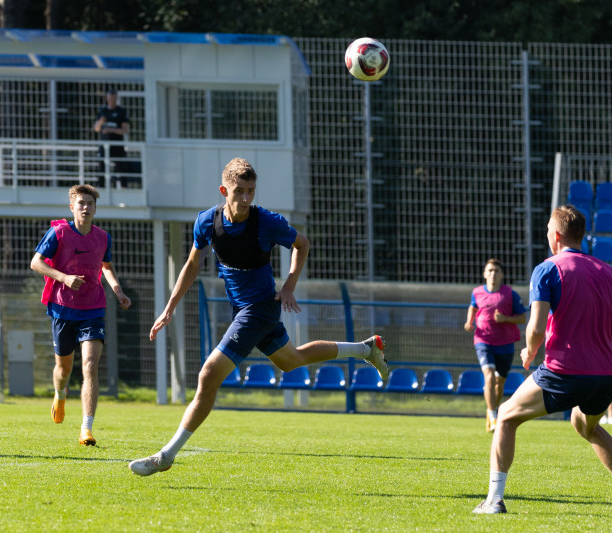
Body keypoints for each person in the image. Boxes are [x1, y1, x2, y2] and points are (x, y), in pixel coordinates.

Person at [128, 157, 389, 476]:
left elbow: (302, 244)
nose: (246, 198)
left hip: (260, 307)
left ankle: (166, 456)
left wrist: (290, 284)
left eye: (251, 191)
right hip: (243, 309)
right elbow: (193, 264)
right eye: (239, 191)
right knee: (290, 360)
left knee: (208, 374)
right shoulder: (207, 222)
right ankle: (367, 349)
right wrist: (169, 307)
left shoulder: (267, 221)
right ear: (224, 190)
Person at [473, 205, 612, 515]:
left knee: (505, 416)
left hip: (566, 370)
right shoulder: (611, 273)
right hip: (607, 376)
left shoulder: (547, 268)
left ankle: (493, 502)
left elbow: (535, 325)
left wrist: (530, 351)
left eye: (547, 230)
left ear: (555, 236)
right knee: (586, 426)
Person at [30, 184, 132, 446]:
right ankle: (59, 394)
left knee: (90, 365)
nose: (86, 207)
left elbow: (106, 267)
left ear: (96, 208)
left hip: (93, 308)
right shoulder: (59, 232)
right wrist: (63, 277)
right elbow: (36, 262)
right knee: (64, 369)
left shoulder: (103, 237)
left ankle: (86, 429)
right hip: (63, 308)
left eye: (90, 203)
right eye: (81, 203)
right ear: (72, 207)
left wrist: (118, 292)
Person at [464, 258, 527, 432]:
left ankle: (491, 411)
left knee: (499, 383)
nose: (493, 274)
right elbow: (473, 307)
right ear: (484, 274)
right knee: (489, 376)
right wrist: (469, 321)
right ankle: (493, 416)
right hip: (483, 340)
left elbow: (522, 317)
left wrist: (505, 318)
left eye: (496, 271)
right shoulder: (476, 292)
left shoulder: (510, 294)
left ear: (502, 275)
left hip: (505, 344)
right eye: (490, 270)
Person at [93, 89, 129, 188]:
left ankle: (124, 188)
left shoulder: (121, 111)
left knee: (121, 167)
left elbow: (125, 130)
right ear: (107, 98)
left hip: (117, 145)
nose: (112, 101)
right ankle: (100, 189)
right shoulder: (103, 111)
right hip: (105, 146)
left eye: (114, 99)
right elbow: (96, 128)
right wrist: (100, 122)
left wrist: (111, 130)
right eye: (110, 99)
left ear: (116, 99)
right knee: (101, 167)